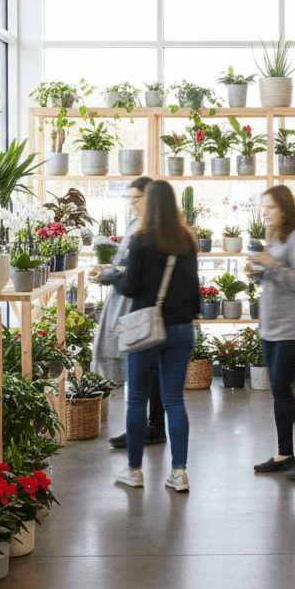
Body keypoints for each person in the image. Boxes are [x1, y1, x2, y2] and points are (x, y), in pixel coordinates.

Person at [116, 180, 200, 492]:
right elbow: (195, 291)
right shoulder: (187, 241)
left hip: (146, 327)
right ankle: (179, 473)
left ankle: (134, 470)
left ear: (149, 205)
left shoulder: (141, 240)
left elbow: (132, 288)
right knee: (175, 400)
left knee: (137, 399)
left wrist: (114, 278)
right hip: (181, 329)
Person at [246, 186, 295, 480]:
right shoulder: (274, 239)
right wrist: (257, 272)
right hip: (272, 326)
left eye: (270, 208)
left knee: (280, 389)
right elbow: (274, 276)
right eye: (263, 208)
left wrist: (271, 265)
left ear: (285, 209)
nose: (264, 213)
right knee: (279, 394)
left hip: (293, 326)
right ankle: (284, 454)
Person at [92, 177, 167, 449]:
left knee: (145, 369)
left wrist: (113, 274)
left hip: (141, 305)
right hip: (129, 301)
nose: (132, 203)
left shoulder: (155, 229)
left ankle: (151, 428)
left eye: (137, 198)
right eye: (130, 198)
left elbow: (139, 274)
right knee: (141, 369)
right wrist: (112, 266)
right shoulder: (136, 224)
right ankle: (147, 427)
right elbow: (128, 262)